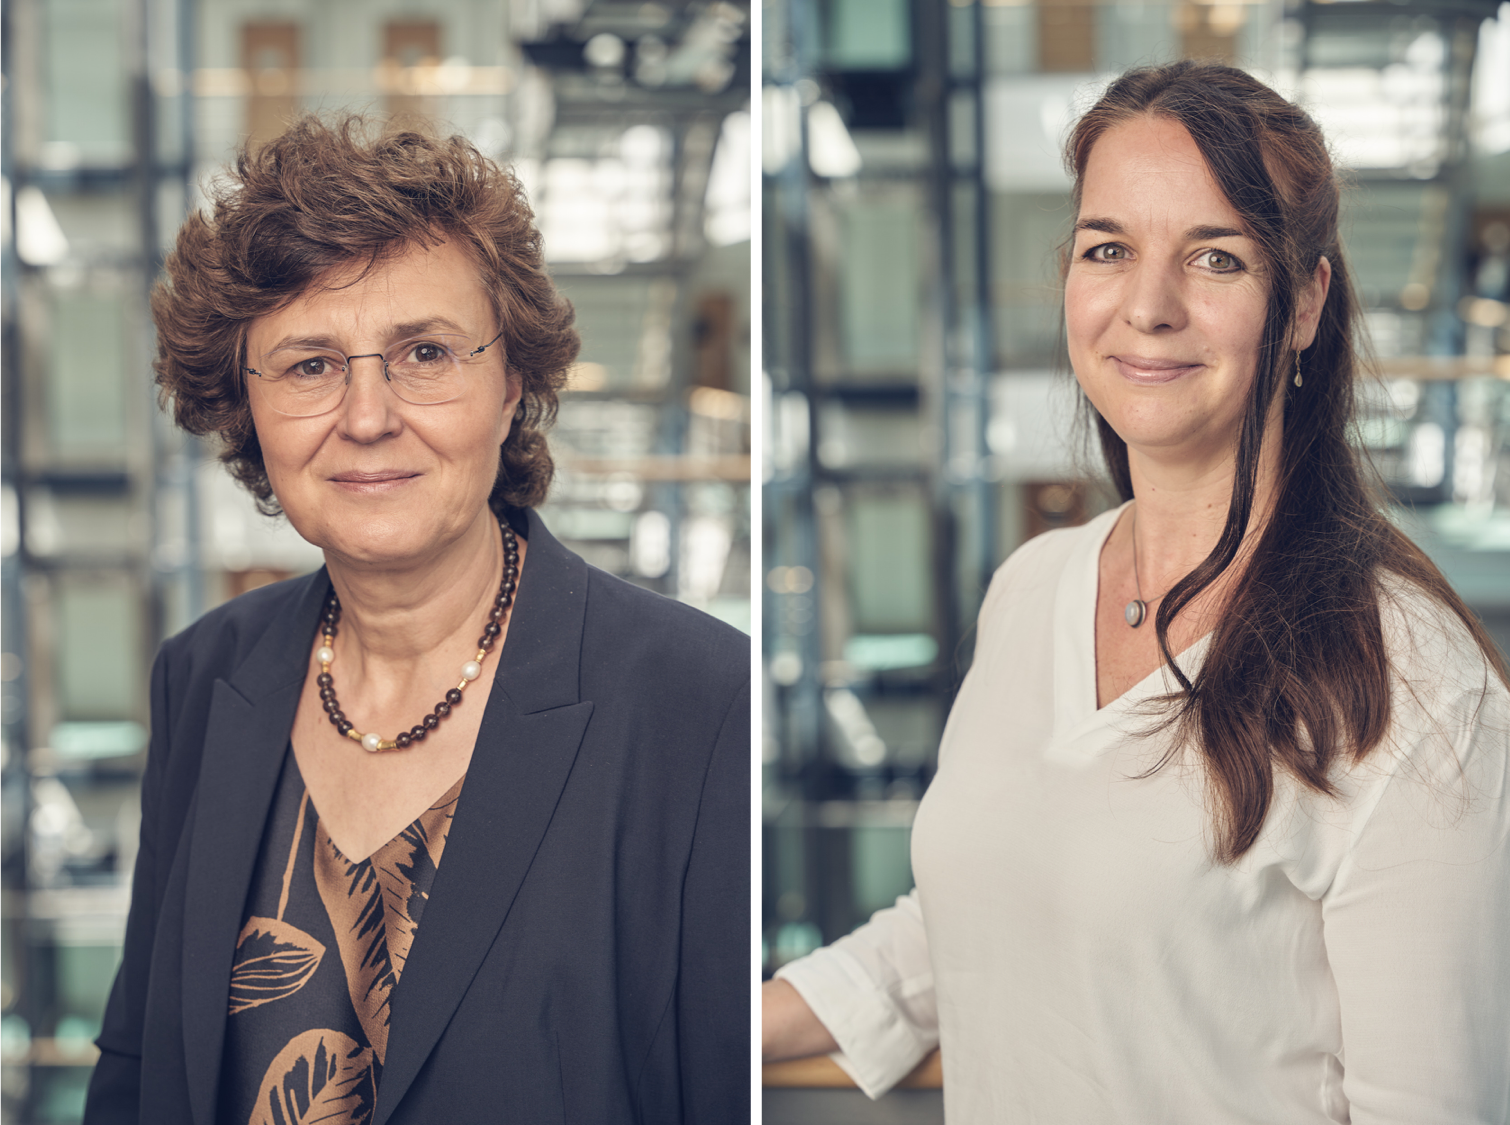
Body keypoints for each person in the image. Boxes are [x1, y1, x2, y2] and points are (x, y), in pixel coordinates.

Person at [761, 60, 1510, 1122]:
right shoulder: (1031, 588)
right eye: (1108, 249)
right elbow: (979, 913)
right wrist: (720, 1019)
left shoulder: (1413, 684)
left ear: (1302, 302)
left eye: (1213, 257)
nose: (1146, 307)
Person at [82, 116, 750, 1125]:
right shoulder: (204, 674)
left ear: (511, 380)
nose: (366, 416)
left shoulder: (697, 699)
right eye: (310, 364)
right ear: (242, 406)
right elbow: (139, 1070)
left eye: (425, 352)